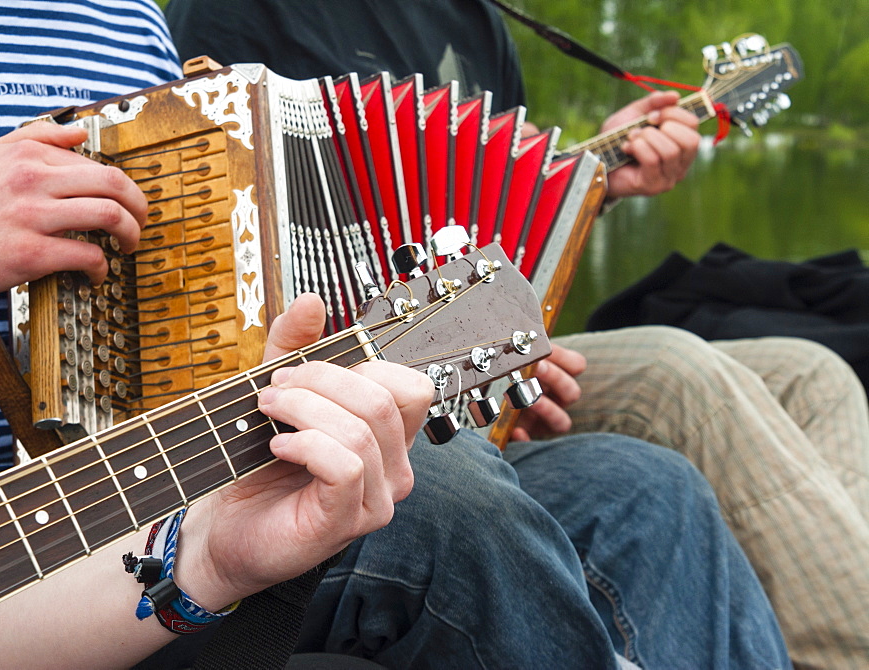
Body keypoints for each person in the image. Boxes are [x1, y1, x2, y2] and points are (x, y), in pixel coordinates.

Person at [0, 1, 792, 668]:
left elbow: (211, 290)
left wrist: (436, 358)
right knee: (445, 493)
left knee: (643, 486)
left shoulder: (123, 16)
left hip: (181, 449)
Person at [165, 0, 869, 667]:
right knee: (679, 376)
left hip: (483, 343)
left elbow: (491, 217)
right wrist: (476, 355)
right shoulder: (244, 14)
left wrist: (590, 186)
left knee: (813, 372)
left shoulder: (477, 20)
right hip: (352, 364)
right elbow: (251, 262)